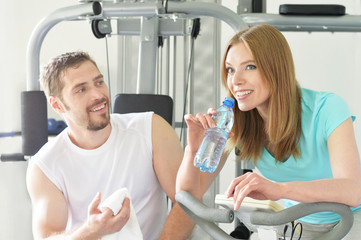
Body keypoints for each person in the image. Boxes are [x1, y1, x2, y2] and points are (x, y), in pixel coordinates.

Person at [176, 24, 361, 239]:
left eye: (250, 66)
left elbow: (353, 191)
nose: (235, 81)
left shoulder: (327, 108)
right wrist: (193, 150)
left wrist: (279, 189)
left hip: (350, 221)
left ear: (276, 68)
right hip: (298, 224)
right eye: (230, 69)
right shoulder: (235, 123)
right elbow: (187, 194)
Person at [26, 51, 194, 240]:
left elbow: (187, 203)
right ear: (57, 105)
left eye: (99, 82)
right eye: (81, 89)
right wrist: (91, 230)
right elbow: (46, 237)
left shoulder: (151, 129)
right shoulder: (45, 165)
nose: (98, 95)